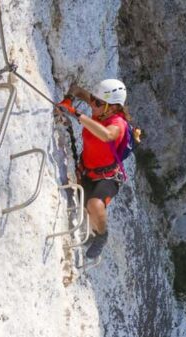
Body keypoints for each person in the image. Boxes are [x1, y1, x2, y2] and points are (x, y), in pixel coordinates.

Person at [56, 79, 131, 259]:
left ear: (113, 108)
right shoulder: (101, 106)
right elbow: (77, 89)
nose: (93, 104)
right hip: (87, 171)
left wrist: (77, 114)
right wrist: (69, 98)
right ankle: (92, 231)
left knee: (94, 204)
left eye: (98, 103)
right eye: (94, 100)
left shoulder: (117, 123)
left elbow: (107, 135)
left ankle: (102, 235)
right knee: (86, 205)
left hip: (108, 178)